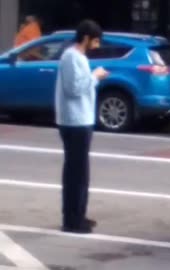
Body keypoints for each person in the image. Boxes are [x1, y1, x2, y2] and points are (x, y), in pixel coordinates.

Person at [55, 20, 109, 234]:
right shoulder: (71, 57)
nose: (96, 46)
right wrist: (95, 76)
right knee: (75, 172)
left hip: (82, 119)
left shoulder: (79, 58)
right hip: (74, 121)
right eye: (95, 41)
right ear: (86, 38)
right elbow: (73, 89)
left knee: (81, 172)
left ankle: (79, 215)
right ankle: (72, 220)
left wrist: (92, 76)